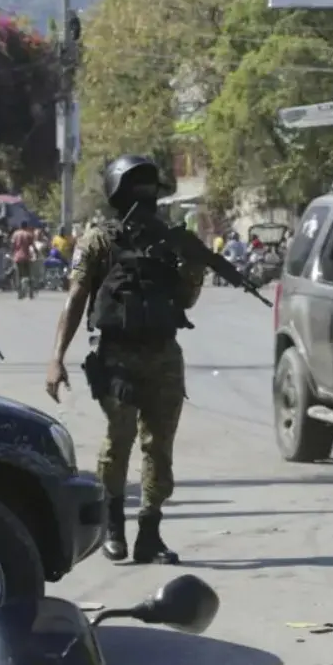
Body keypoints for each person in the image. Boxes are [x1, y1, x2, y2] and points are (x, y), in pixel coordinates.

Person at [44, 155, 208, 564]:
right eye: (138, 186)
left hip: (164, 354)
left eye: (150, 187)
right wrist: (56, 357)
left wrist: (194, 264)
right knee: (119, 442)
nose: (146, 195)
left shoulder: (170, 241)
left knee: (160, 448)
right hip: (116, 355)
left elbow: (185, 300)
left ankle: (149, 532)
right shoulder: (100, 240)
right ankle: (113, 527)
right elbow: (77, 297)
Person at [10, 223, 34, 299]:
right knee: (28, 275)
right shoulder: (28, 234)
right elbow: (32, 245)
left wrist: (11, 253)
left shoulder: (15, 234)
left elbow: (12, 245)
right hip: (26, 257)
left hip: (17, 257)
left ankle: (20, 293)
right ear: (26, 226)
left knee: (19, 276)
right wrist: (36, 253)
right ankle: (30, 293)